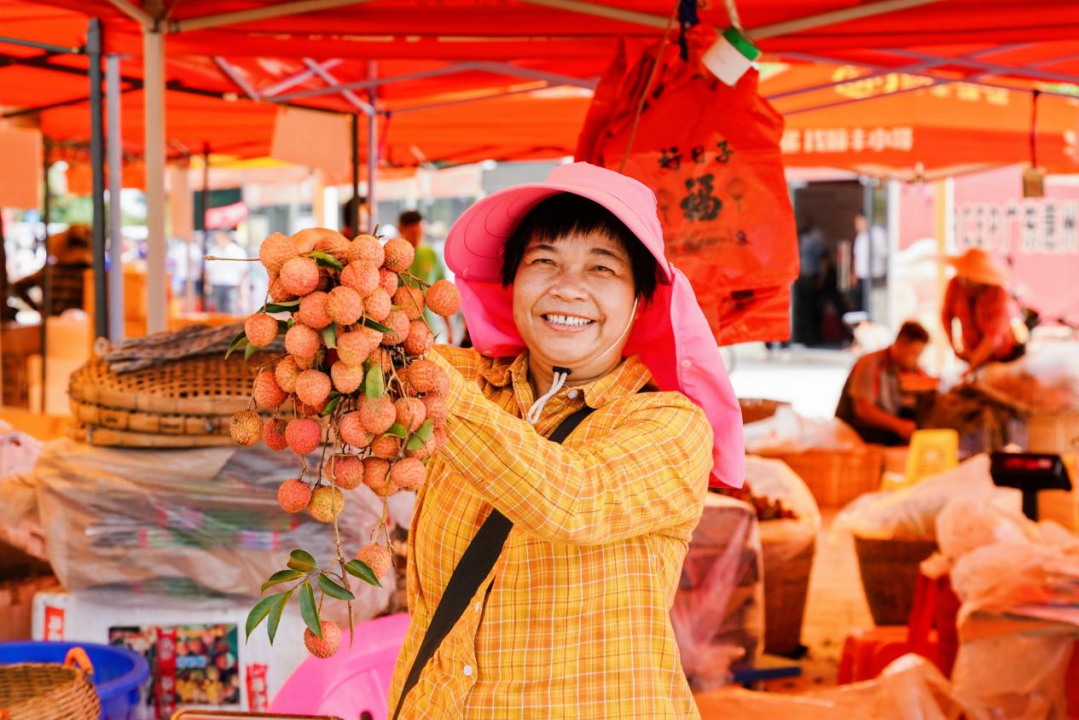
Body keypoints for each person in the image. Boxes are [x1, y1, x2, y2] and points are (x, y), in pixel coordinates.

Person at [387, 163, 744, 718]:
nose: (568, 287)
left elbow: (572, 498)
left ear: (639, 300)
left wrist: (421, 373)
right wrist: (327, 268)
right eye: (544, 262)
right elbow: (312, 366)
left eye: (602, 268)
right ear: (512, 284)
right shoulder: (464, 381)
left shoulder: (670, 426)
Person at [836, 320, 934, 446]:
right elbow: (863, 410)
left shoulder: (908, 368)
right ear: (900, 344)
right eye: (913, 354)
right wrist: (899, 426)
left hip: (884, 428)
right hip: (857, 429)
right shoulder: (870, 363)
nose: (916, 359)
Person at [941, 248, 1025, 376]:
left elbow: (993, 337)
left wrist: (972, 366)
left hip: (1000, 356)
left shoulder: (998, 293)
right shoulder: (955, 284)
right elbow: (946, 316)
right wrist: (953, 346)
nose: (966, 281)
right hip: (972, 352)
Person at [11, 224, 93, 317]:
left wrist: (39, 309)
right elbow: (18, 286)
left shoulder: (50, 271)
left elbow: (18, 286)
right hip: (80, 327)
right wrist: (38, 309)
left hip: (52, 325)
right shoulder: (89, 272)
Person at [399, 210, 455, 343]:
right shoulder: (393, 258)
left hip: (428, 331)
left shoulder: (430, 254)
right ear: (400, 229)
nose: (416, 238)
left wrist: (450, 330)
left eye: (419, 233)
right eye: (412, 234)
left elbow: (441, 293)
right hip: (400, 331)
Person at [792, 218, 828, 345]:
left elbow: (824, 259)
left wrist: (821, 279)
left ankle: (811, 337)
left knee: (811, 310)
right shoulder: (797, 235)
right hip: (797, 279)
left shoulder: (814, 237)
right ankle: (801, 336)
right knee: (800, 310)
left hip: (810, 278)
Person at [853, 212, 888, 320]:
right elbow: (857, 257)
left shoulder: (877, 234)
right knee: (861, 305)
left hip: (876, 277)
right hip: (863, 277)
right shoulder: (860, 236)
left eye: (858, 222)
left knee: (875, 304)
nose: (857, 225)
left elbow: (884, 253)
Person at [206, 230, 247, 315]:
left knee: (230, 309)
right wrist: (207, 284)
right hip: (216, 284)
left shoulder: (237, 251)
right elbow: (208, 269)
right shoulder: (213, 251)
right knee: (217, 310)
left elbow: (243, 271)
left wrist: (242, 288)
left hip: (231, 285)